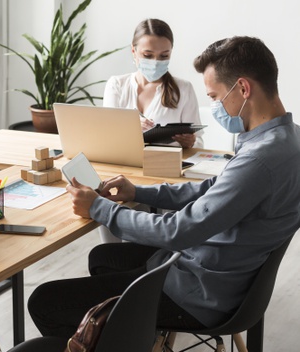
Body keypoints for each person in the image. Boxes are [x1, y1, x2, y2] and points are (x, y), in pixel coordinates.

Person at [28, 36, 300, 339]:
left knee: (44, 302)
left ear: (243, 88)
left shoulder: (260, 160)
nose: (214, 105)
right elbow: (214, 188)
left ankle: (124, 338)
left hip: (199, 292)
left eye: (214, 96)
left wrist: (98, 208)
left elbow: (177, 231)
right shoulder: (288, 139)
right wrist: (140, 192)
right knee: (104, 258)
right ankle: (128, 339)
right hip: (219, 270)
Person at [100, 18, 204, 243]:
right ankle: (113, 257)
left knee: (164, 230)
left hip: (164, 173)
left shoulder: (183, 89)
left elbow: (199, 143)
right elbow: (105, 137)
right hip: (125, 169)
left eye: (164, 56)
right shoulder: (117, 85)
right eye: (148, 55)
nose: (156, 61)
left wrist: (190, 141)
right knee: (105, 196)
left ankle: (152, 260)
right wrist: (128, 128)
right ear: (134, 52)